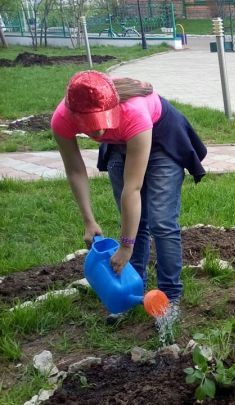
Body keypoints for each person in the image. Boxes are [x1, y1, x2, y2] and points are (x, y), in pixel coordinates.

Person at [51, 70, 207, 336]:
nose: (98, 130)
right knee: (135, 221)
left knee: (161, 221)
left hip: (159, 138)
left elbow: (132, 188)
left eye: (101, 121)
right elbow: (75, 170)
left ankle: (169, 298)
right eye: (90, 125)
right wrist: (89, 220)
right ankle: (131, 293)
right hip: (119, 144)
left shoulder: (133, 111)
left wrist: (125, 246)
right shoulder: (62, 119)